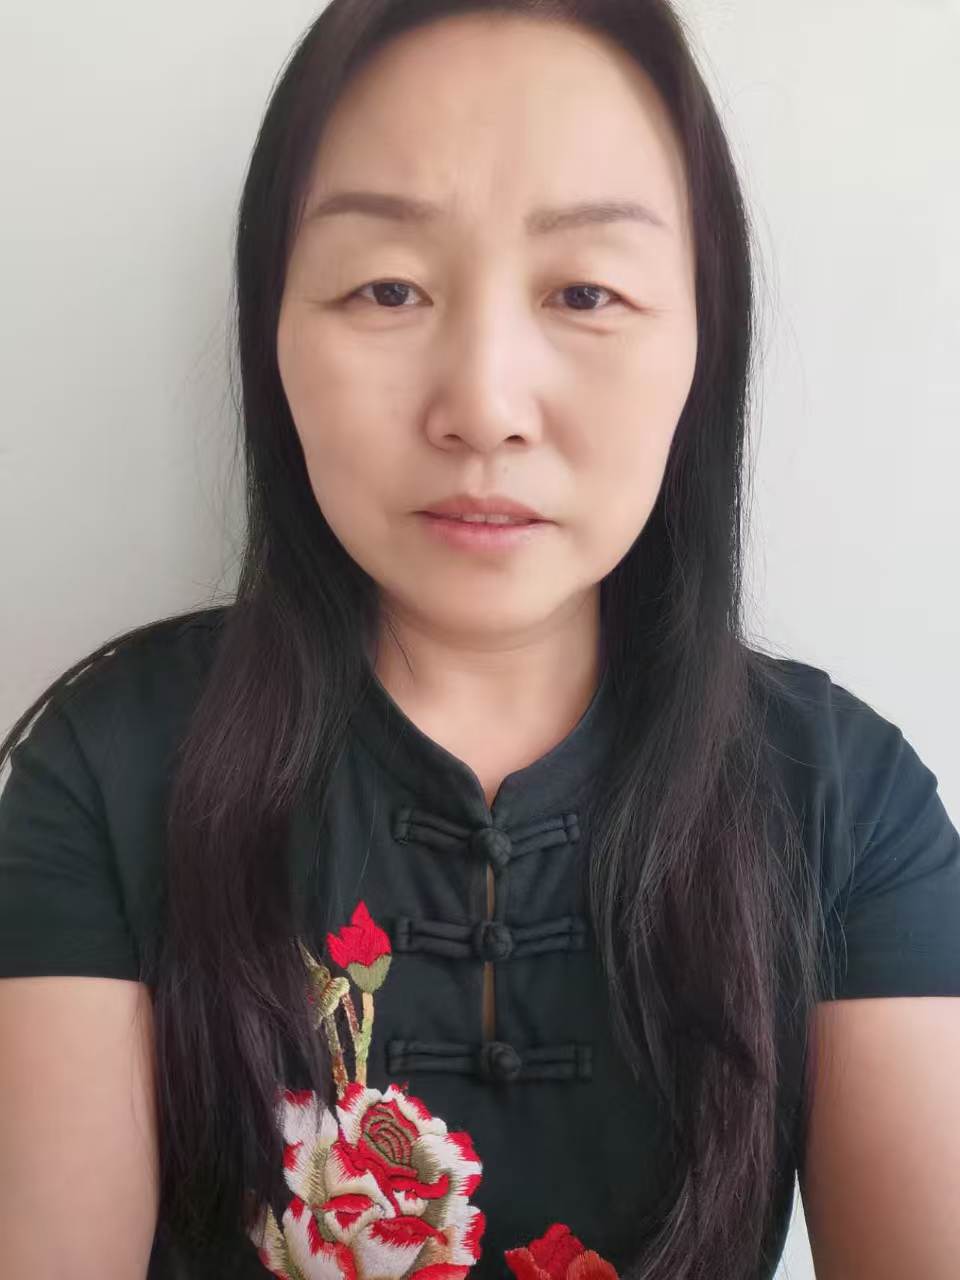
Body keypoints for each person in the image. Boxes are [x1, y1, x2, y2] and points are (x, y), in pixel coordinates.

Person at [1, 2, 958, 1278]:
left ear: (702, 340)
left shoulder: (843, 797)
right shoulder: (111, 765)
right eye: (387, 287)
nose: (485, 406)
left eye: (586, 290)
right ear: (272, 332)